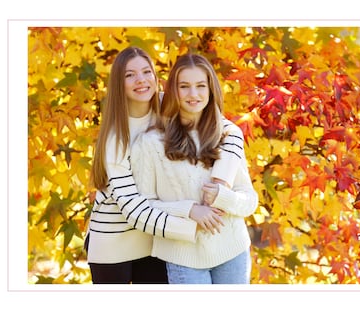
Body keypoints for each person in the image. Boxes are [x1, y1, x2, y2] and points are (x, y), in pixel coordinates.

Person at [85, 46, 241, 284]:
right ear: (119, 83)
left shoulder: (166, 106)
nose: (141, 80)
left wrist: (221, 180)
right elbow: (133, 209)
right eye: (130, 75)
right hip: (114, 243)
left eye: (147, 72)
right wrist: (191, 224)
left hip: (157, 240)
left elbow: (227, 129)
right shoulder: (116, 138)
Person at [131, 53, 258, 284]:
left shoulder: (228, 136)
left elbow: (250, 200)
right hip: (183, 256)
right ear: (173, 90)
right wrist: (190, 210)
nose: (194, 94)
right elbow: (143, 207)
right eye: (184, 86)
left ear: (211, 90)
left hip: (233, 252)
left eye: (201, 86)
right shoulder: (150, 143)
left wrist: (223, 197)